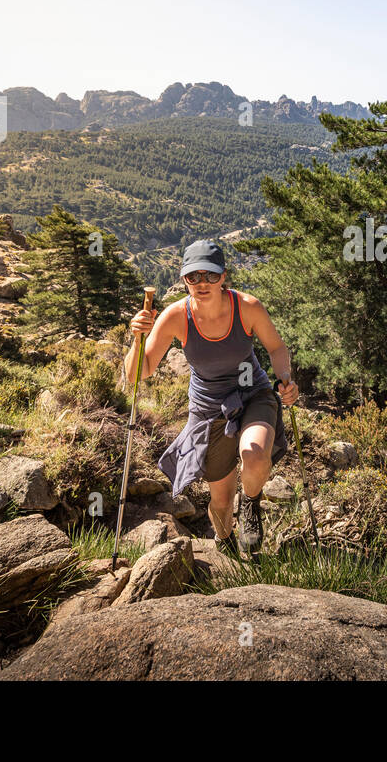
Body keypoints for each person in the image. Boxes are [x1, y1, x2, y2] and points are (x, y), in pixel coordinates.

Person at [124, 238, 298, 557]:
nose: (202, 283)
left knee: (255, 452)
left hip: (253, 393)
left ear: (223, 277)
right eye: (194, 277)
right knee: (219, 500)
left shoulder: (247, 307)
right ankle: (225, 542)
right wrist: (136, 338)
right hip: (208, 410)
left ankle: (249, 505)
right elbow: (141, 371)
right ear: (183, 279)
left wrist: (285, 378)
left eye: (210, 276)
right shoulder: (176, 316)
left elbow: (276, 347)